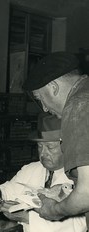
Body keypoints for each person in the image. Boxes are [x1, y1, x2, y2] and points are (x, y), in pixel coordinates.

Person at [23, 51, 89, 222]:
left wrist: (55, 210)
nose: (44, 109)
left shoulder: (78, 106)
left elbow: (86, 193)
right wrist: (67, 190)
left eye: (40, 98)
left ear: (53, 87)